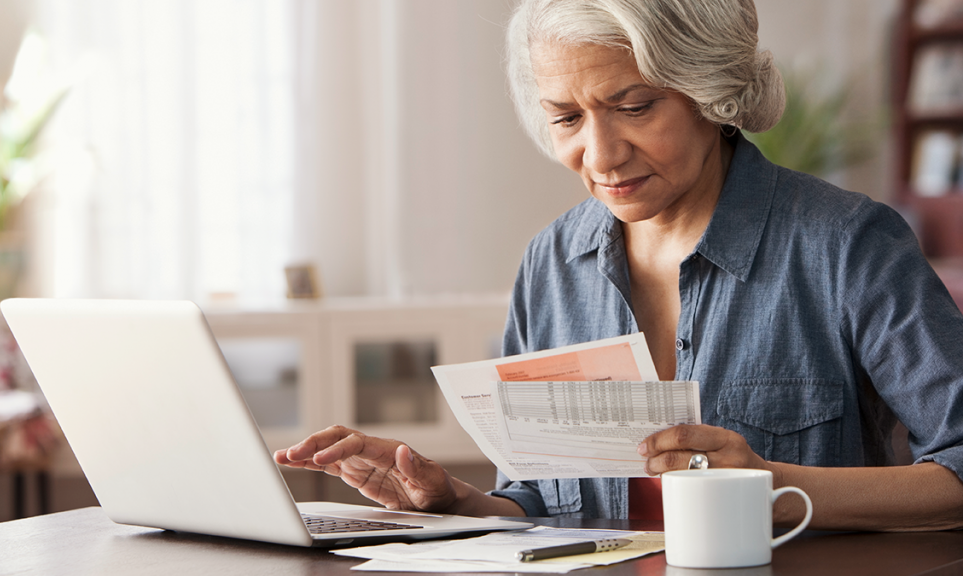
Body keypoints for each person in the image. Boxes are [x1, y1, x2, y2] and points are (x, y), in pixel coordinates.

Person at [275, 0, 963, 531]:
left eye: (633, 107)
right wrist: (456, 501)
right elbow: (540, 505)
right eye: (567, 118)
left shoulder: (848, 245)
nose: (600, 156)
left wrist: (774, 488)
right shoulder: (551, 263)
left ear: (713, 92)